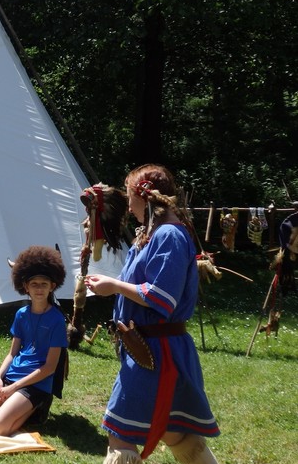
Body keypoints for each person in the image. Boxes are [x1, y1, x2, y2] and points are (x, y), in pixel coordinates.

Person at [85, 164, 220, 464]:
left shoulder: (169, 235)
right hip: (149, 350)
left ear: (144, 196)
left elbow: (161, 296)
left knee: (120, 435)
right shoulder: (153, 235)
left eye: (130, 197)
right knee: (177, 434)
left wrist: (114, 286)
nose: (128, 206)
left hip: (158, 355)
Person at [0, 245, 68, 436]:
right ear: (25, 287)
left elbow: (49, 368)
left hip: (36, 385)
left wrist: (14, 388)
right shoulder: (21, 314)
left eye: (44, 284)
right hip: (11, 377)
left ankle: (37, 407)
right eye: (34, 284)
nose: (39, 288)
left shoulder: (57, 320)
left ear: (52, 286)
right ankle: (11, 408)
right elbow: (12, 353)